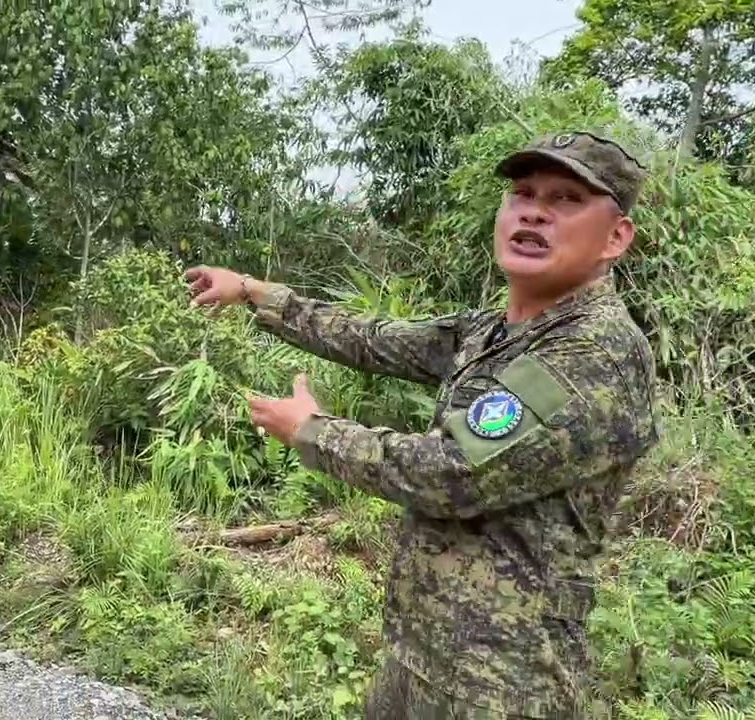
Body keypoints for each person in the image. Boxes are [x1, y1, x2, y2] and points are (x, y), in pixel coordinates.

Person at [184, 131, 660, 719]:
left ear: (616, 236)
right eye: (523, 193)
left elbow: (452, 473)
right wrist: (255, 293)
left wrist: (312, 430)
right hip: (422, 653)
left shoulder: (592, 352)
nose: (534, 210)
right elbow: (374, 339)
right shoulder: (494, 331)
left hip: (502, 682)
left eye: (566, 199)